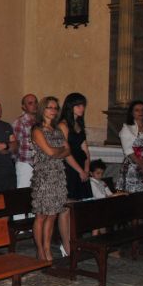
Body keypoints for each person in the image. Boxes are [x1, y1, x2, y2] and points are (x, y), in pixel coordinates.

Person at [30, 96, 70, 262]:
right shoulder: (37, 130)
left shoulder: (58, 129)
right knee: (41, 215)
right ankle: (40, 250)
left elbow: (68, 151)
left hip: (58, 175)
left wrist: (58, 150)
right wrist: (59, 150)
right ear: (42, 110)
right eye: (49, 107)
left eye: (55, 108)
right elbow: (50, 152)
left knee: (53, 214)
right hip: (44, 176)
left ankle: (47, 248)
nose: (53, 111)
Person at [57, 93, 92, 256]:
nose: (82, 108)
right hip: (69, 169)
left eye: (83, 105)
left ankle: (75, 242)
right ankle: (66, 245)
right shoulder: (63, 125)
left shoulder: (79, 124)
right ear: (70, 107)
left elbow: (85, 149)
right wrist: (79, 170)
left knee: (76, 208)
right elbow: (65, 152)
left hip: (80, 169)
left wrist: (86, 168)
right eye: (78, 105)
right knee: (66, 208)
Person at [117, 100, 143, 193]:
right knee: (132, 196)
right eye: (137, 110)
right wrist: (141, 165)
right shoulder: (126, 128)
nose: (141, 112)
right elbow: (127, 150)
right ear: (132, 113)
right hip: (132, 165)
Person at [12, 93, 38, 188]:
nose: (34, 105)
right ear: (24, 107)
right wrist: (19, 162)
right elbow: (15, 145)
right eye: (30, 103)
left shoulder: (40, 122)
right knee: (23, 195)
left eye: (36, 102)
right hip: (25, 164)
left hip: (39, 164)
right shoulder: (19, 122)